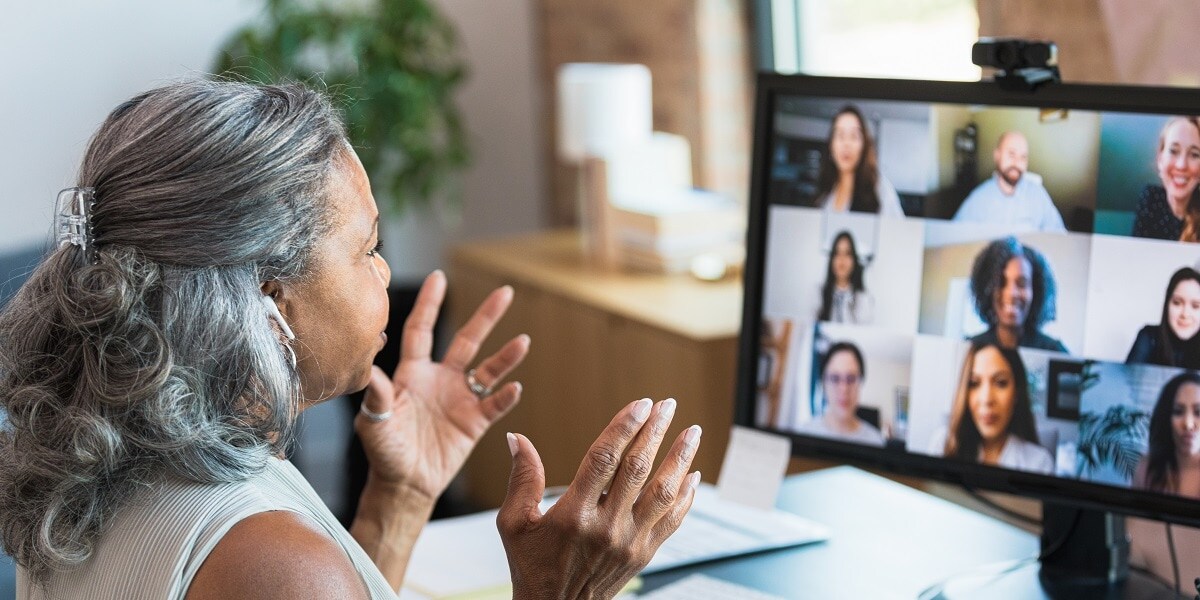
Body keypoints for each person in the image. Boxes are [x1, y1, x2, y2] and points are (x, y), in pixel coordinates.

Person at [0, 80, 703, 600]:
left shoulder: (98, 470)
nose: (386, 272)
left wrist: (398, 499)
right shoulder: (268, 559)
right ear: (269, 299)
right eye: (366, 248)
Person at [928, 342, 1053, 474]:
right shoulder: (942, 445)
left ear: (1017, 392)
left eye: (1000, 383)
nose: (987, 399)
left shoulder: (1039, 463)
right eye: (974, 383)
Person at [967, 237, 1068, 353]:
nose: (1011, 293)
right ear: (987, 289)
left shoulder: (1055, 352)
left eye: (1022, 284)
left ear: (1035, 291)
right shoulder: (971, 348)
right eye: (1001, 283)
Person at [951, 131, 1066, 232]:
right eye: (1011, 154)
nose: (1017, 163)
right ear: (997, 156)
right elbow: (954, 236)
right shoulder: (978, 199)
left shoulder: (1038, 195)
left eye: (1023, 157)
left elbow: (1059, 234)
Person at [813, 105, 904, 217]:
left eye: (854, 136)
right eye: (840, 135)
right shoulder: (825, 191)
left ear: (864, 146)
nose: (846, 144)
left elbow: (897, 232)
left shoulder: (880, 189)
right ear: (831, 146)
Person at [797, 342, 885, 446]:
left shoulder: (876, 441)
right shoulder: (804, 433)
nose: (844, 389)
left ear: (861, 382)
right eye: (835, 378)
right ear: (823, 383)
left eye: (851, 379)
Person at [1132, 116, 1200, 242]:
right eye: (1174, 151)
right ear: (1160, 160)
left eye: (1194, 154)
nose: (1182, 165)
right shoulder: (1150, 198)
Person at [1133, 371, 1200, 498]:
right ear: (1166, 418)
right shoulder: (1147, 467)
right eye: (1178, 412)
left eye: (1198, 412)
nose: (1189, 424)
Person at [1127, 267, 1200, 369]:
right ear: (1167, 304)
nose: (1185, 314)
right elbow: (1128, 381)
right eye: (1177, 303)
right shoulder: (1149, 337)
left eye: (1196, 306)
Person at [816, 231, 874, 324]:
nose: (841, 259)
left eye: (847, 253)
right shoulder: (818, 293)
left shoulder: (863, 298)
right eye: (837, 253)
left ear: (854, 260)